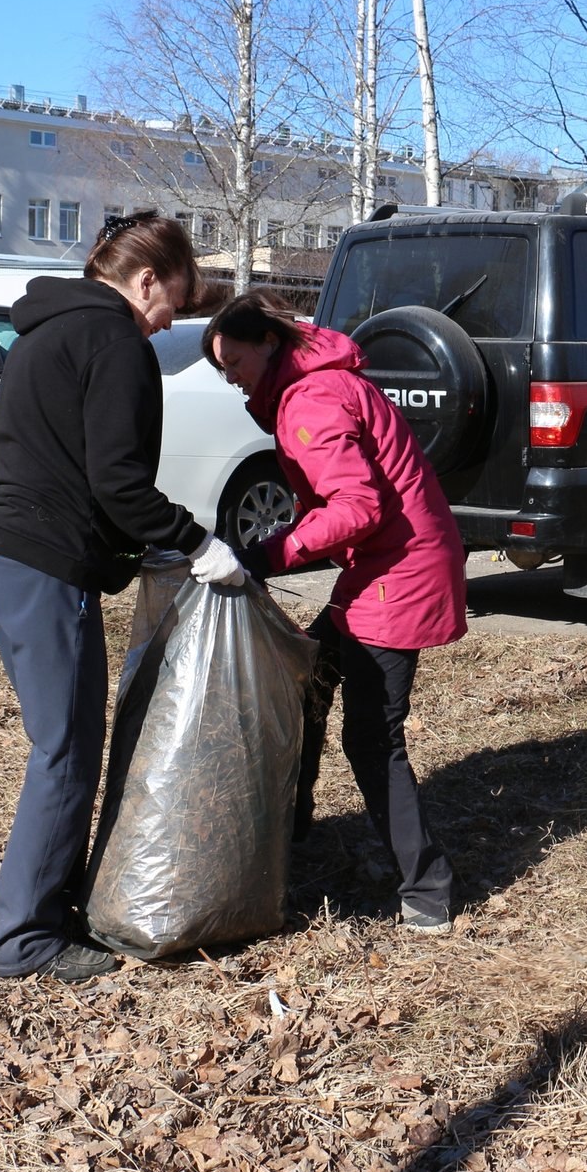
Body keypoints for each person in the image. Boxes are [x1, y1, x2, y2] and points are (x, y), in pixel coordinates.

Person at [0, 211, 243, 983]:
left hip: (5, 553)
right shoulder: (114, 340)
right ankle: (26, 939)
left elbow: (48, 452)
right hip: (43, 566)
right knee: (64, 753)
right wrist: (197, 542)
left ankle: (43, 914)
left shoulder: (44, 330)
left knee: (62, 746)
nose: (167, 325)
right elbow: (117, 480)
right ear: (146, 279)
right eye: (172, 305)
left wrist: (129, 542)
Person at [204, 291, 468, 934]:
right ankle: (293, 835)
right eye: (222, 367)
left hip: (396, 576)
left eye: (234, 360)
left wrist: (268, 555)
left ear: (268, 344)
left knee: (373, 739)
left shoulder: (312, 399)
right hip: (383, 567)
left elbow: (358, 507)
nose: (231, 376)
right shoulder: (318, 385)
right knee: (306, 679)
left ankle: (427, 891)